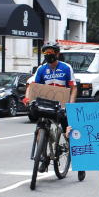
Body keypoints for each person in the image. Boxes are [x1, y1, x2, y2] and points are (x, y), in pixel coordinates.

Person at [26, 43, 82, 179]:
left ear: (56, 54)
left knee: (69, 134)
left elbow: (73, 87)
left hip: (62, 105)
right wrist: (28, 99)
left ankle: (80, 164)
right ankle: (44, 157)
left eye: (51, 53)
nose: (48, 55)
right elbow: (33, 86)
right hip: (46, 104)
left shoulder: (66, 67)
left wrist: (71, 105)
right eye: (46, 53)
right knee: (40, 129)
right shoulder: (41, 69)